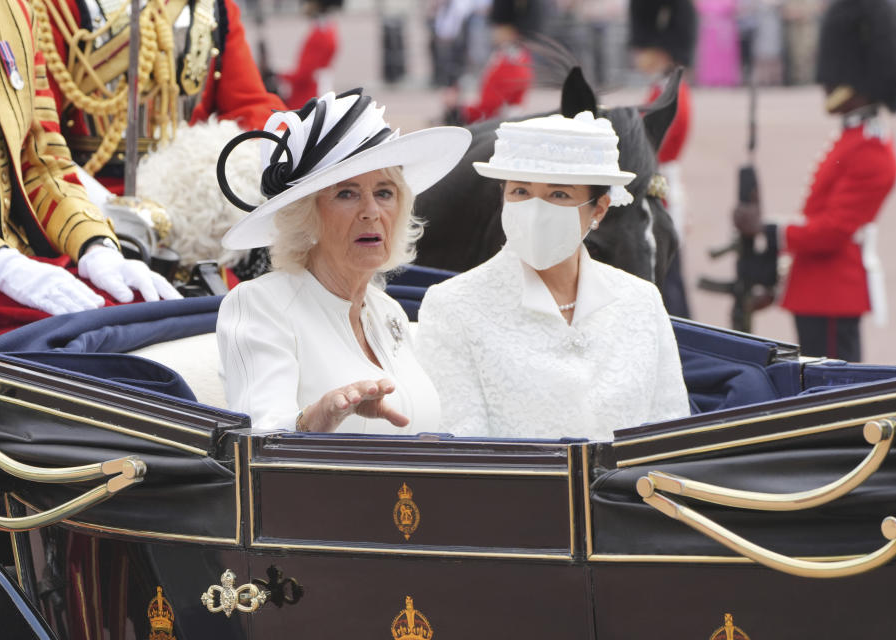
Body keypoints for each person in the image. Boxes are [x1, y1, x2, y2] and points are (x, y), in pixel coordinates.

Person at [416, 112, 690, 440]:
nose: (535, 211)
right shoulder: (451, 306)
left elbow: (671, 432)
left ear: (599, 209)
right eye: (520, 192)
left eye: (558, 195)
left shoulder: (641, 301)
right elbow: (464, 446)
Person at [215, 90, 471, 433]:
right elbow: (259, 440)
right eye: (346, 194)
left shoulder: (388, 310)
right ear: (307, 217)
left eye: (384, 193)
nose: (371, 212)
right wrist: (316, 419)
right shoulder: (260, 304)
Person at [0, 0, 180, 348]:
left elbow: (42, 159)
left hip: (16, 262)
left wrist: (96, 244)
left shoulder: (16, 10)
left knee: (146, 317)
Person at [734, 0, 896, 362]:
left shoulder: (872, 150)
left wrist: (766, 231)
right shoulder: (854, 138)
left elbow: (831, 231)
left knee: (832, 397)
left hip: (832, 295)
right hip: (816, 289)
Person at [36, 0, 287, 191]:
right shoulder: (59, 8)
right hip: (83, 193)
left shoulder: (213, 7)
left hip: (189, 197)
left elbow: (250, 106)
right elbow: (39, 134)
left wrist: (288, 144)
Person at [629, 0, 698, 318]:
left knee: (667, 285)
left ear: (661, 50)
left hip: (659, 189)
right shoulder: (665, 90)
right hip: (662, 184)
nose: (637, 55)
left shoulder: (670, 94)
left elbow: (651, 144)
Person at [443, 0, 536, 125]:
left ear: (509, 31)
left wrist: (458, 110)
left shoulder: (508, 62)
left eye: (497, 28)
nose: (493, 32)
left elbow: (489, 107)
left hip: (495, 125)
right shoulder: (520, 57)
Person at [278, 0, 340, 110]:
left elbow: (304, 73)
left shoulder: (320, 34)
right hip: (317, 88)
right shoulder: (328, 29)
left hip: (309, 94)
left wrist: (279, 74)